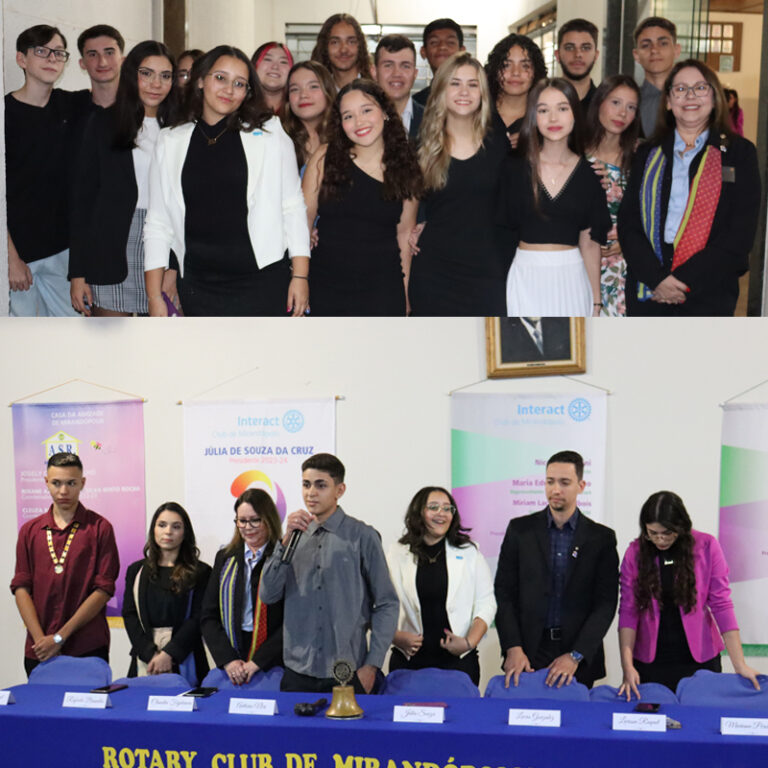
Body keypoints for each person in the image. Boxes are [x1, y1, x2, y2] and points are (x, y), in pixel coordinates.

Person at [143, 44, 310, 317]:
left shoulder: (270, 133)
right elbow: (157, 224)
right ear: (200, 80)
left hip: (262, 280)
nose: (228, 89)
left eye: (239, 83)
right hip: (198, 284)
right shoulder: (170, 141)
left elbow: (292, 206)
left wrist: (300, 276)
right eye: (220, 78)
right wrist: (154, 296)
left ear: (247, 92)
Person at [618, 60, 761, 317]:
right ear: (669, 102)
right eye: (680, 89)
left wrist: (681, 281)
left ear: (715, 97)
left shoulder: (739, 154)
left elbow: (740, 234)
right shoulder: (648, 153)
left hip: (709, 291)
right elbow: (629, 224)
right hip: (649, 288)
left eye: (700, 87)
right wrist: (658, 279)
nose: (690, 95)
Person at [260, 453, 399, 694]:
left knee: (348, 733)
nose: (311, 493)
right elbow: (268, 594)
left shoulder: (362, 536)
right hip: (297, 670)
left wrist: (372, 664)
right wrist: (283, 545)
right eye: (306, 484)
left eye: (321, 485)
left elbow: (387, 603)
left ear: (340, 489)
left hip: (347, 669)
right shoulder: (293, 537)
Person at [70, 40, 178, 317]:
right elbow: (83, 199)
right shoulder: (104, 123)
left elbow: (185, 204)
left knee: (157, 347)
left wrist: (175, 266)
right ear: (131, 74)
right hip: (111, 243)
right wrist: (78, 273)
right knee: (109, 348)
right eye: (147, 73)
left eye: (165, 76)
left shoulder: (180, 128)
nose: (156, 83)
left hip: (164, 242)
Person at [618, 491, 760, 698]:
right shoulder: (636, 552)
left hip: (700, 659)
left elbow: (722, 605)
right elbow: (628, 612)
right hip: (651, 660)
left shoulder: (707, 546)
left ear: (681, 526)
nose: (660, 539)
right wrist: (627, 667)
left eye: (667, 533)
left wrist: (740, 664)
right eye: (652, 533)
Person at [495, 450, 618, 689]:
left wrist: (576, 655)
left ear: (581, 486)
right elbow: (503, 592)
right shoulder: (520, 531)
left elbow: (605, 604)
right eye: (550, 482)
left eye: (564, 482)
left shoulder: (600, 538)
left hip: (576, 656)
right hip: (527, 653)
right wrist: (513, 647)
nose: (556, 489)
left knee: (575, 722)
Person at [302, 79, 421, 316]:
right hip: (324, 287)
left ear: (385, 113)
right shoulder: (325, 157)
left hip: (383, 291)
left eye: (366, 110)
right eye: (348, 116)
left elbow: (404, 234)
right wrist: (299, 278)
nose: (359, 122)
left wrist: (406, 294)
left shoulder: (407, 167)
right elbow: (301, 223)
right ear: (340, 124)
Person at [408, 52, 511, 316]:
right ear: (441, 89)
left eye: (472, 84)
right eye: (455, 83)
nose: (464, 91)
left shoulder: (499, 145)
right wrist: (404, 286)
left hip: (489, 272)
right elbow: (403, 227)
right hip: (433, 274)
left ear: (482, 94)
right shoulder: (421, 149)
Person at [500, 78, 611, 317]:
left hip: (572, 277)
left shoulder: (590, 176)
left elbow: (590, 244)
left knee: (573, 353)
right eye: (543, 110)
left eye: (562, 108)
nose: (553, 119)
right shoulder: (513, 168)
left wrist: (596, 302)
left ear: (574, 114)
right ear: (533, 116)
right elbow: (499, 230)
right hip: (525, 274)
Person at [10, 453, 120, 676]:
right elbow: (21, 587)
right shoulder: (30, 531)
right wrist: (41, 639)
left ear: (82, 483)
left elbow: (104, 590)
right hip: (39, 650)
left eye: (71, 483)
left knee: (87, 711)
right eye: (56, 483)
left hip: (87, 647)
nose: (63, 491)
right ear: (46, 482)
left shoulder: (100, 528)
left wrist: (59, 638)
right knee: (40, 710)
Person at [5, 25, 80, 317]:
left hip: (64, 251)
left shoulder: (71, 106)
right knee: (26, 345)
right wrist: (10, 259)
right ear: (21, 59)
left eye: (59, 52)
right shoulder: (4, 114)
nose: (51, 58)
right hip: (20, 254)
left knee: (72, 339)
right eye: (41, 51)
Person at [387, 487, 495, 686]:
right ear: (419, 512)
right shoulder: (397, 553)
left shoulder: (470, 553)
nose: (441, 513)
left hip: (458, 661)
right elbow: (381, 603)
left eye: (447, 508)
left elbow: (487, 603)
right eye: (433, 507)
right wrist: (396, 637)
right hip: (409, 661)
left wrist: (469, 642)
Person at [201, 490, 284, 685]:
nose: (247, 527)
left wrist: (257, 662)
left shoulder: (283, 559)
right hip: (232, 653)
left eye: (254, 520)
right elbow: (208, 616)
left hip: (272, 658)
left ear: (269, 519)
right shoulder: (225, 557)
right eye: (242, 521)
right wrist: (228, 661)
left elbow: (291, 622)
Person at [123, 502, 211, 684]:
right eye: (162, 525)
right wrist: (151, 654)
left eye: (176, 526)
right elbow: (130, 615)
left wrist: (169, 654)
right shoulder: (136, 570)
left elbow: (198, 618)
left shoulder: (201, 572)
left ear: (185, 532)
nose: (168, 531)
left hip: (187, 657)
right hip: (145, 659)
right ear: (153, 529)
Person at [584, 75, 641, 316]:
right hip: (582, 265)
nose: (622, 113)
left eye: (631, 107)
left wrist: (626, 243)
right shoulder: (573, 154)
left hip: (627, 268)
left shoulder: (641, 156)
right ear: (599, 103)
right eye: (615, 103)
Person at [485, 33, 547, 149]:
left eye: (525, 66)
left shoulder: (544, 118)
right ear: (495, 70)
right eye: (506, 65)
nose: (515, 72)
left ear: (536, 71)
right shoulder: (479, 112)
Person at [282, 60, 335, 172]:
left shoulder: (345, 137)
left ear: (328, 91)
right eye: (295, 89)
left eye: (313, 86)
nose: (303, 95)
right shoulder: (280, 140)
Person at [632, 17, 680, 138]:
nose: (654, 50)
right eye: (646, 45)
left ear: (676, 50)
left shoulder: (694, 99)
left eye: (663, 43)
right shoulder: (630, 101)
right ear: (636, 55)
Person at [373, 35, 423, 140]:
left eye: (405, 66)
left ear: (415, 73)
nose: (396, 74)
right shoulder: (362, 120)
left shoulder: (433, 120)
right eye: (388, 65)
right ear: (374, 72)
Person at [311, 14, 372, 90]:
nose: (343, 50)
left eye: (351, 42)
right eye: (335, 42)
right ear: (325, 47)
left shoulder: (375, 91)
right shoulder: (319, 93)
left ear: (360, 46)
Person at [413, 19, 465, 106]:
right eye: (434, 42)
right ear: (423, 52)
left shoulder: (476, 99)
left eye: (450, 42)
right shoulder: (416, 103)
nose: (442, 47)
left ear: (462, 51)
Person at [74, 24, 125, 111]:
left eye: (109, 53)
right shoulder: (71, 107)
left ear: (123, 61)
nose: (102, 63)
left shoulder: (142, 107)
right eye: (93, 55)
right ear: (82, 64)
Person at [555, 19, 599, 114]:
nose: (578, 54)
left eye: (586, 48)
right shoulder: (541, 101)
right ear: (557, 55)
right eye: (569, 48)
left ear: (596, 55)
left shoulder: (604, 105)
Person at [252, 41, 293, 114]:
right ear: (254, 65)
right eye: (268, 59)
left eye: (283, 62)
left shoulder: (298, 109)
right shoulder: (238, 107)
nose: (275, 67)